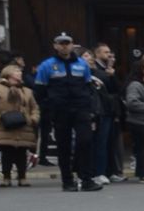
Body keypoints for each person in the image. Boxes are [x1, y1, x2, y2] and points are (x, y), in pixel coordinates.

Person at [32, 33, 101, 193]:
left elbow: (88, 87)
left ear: (72, 45)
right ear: (55, 46)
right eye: (61, 43)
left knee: (85, 142)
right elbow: (39, 91)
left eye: (67, 43)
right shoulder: (47, 65)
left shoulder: (82, 64)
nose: (64, 46)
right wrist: (48, 109)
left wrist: (91, 109)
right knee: (63, 146)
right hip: (60, 111)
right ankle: (67, 181)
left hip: (81, 109)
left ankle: (86, 180)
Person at [0, 64, 40, 186]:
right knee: (7, 153)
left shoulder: (27, 91)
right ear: (9, 74)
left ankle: (22, 177)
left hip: (24, 126)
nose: (20, 73)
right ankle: (6, 177)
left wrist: (33, 118)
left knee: (22, 153)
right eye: (16, 71)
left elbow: (34, 107)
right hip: (4, 125)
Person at [89, 42, 125, 184]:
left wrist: (111, 72)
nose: (109, 54)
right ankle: (99, 172)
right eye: (105, 52)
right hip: (101, 110)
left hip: (111, 109)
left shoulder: (109, 69)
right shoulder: (95, 70)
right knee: (101, 142)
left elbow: (118, 89)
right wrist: (108, 73)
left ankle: (111, 171)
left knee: (111, 143)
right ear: (97, 54)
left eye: (109, 52)